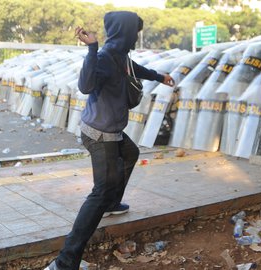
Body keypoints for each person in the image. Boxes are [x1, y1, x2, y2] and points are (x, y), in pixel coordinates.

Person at [45, 11, 174, 270]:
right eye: (135, 32)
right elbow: (85, 84)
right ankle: (64, 262)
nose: (137, 37)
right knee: (99, 193)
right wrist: (91, 48)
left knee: (130, 153)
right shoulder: (104, 56)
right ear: (125, 32)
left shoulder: (121, 54)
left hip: (111, 130)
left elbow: (133, 69)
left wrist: (159, 76)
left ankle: (112, 203)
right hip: (100, 134)